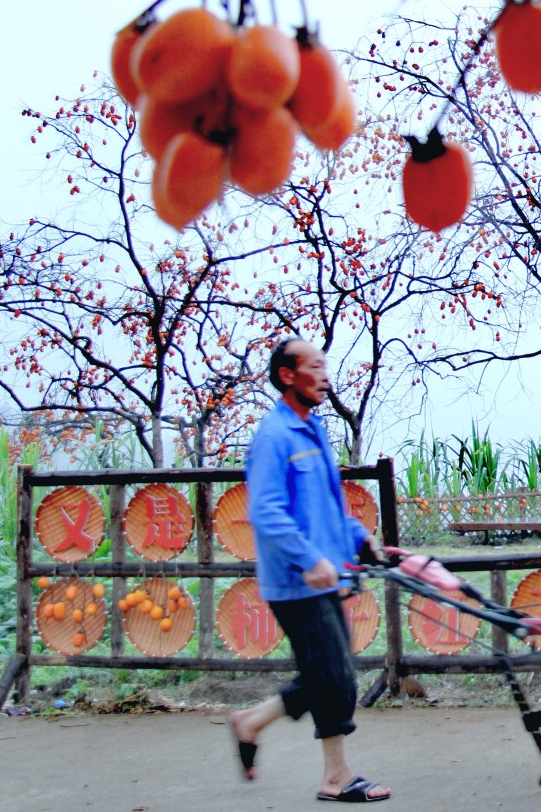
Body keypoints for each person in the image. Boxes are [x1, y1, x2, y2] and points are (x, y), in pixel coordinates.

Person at [228, 339, 393, 803]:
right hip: (295, 581)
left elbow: (328, 505)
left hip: (328, 574)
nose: (324, 375)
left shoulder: (315, 431)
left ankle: (251, 722)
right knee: (336, 677)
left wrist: (360, 536)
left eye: (325, 367)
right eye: (315, 367)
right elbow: (265, 512)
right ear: (288, 376)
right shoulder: (273, 437)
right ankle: (336, 777)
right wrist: (310, 559)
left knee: (326, 673)